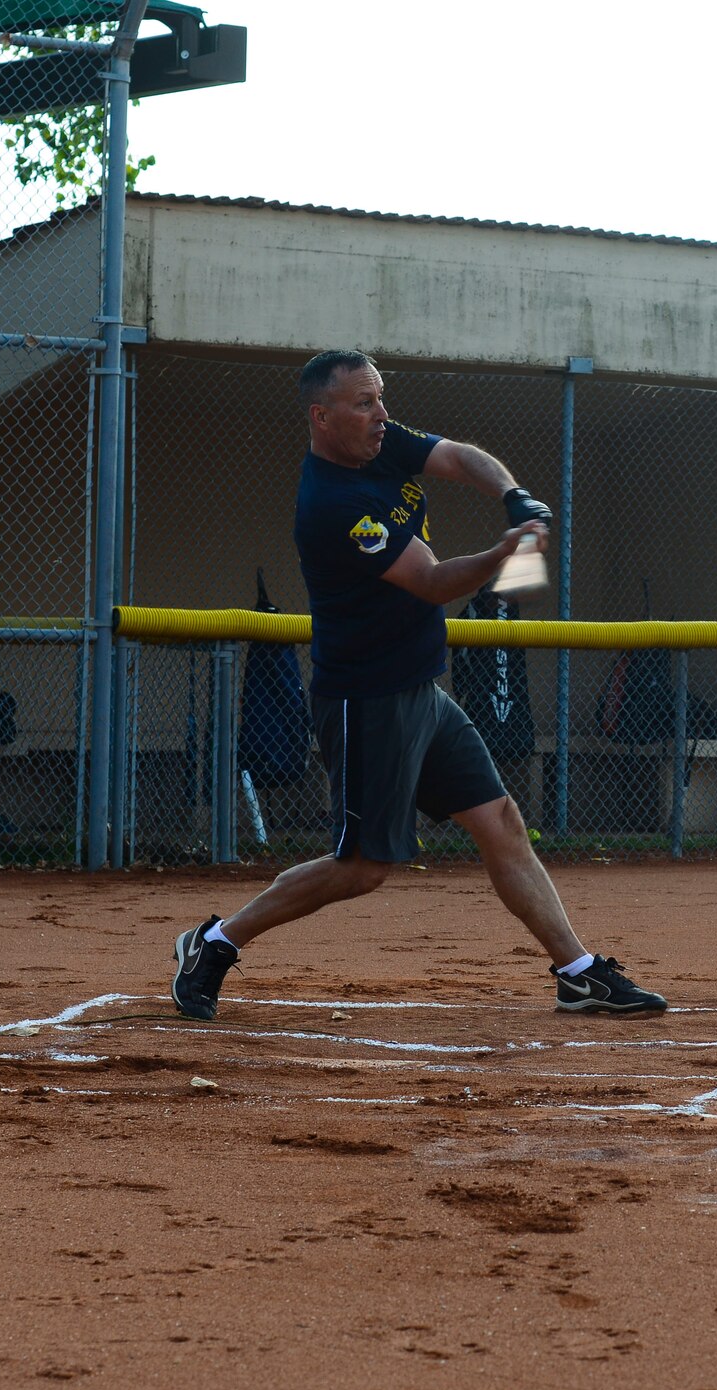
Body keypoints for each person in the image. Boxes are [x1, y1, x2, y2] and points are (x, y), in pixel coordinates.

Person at [170, 350, 668, 1021]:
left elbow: (459, 456)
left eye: (381, 398)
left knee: (501, 823)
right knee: (362, 866)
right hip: (365, 700)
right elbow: (431, 581)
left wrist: (512, 495)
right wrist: (505, 553)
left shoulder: (381, 442)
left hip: (421, 691)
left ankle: (578, 972)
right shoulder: (334, 503)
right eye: (363, 403)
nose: (381, 414)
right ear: (322, 417)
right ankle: (214, 943)